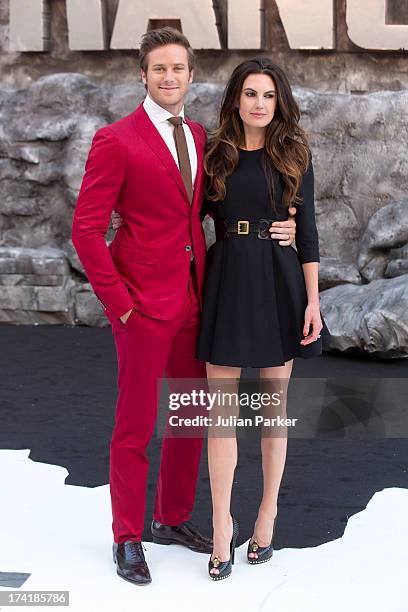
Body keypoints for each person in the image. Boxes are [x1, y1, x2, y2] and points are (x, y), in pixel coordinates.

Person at [78, 27, 297, 585]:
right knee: (135, 424)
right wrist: (120, 305)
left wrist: (285, 225)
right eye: (159, 69)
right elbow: (86, 231)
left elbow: (221, 208)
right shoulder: (116, 139)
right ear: (144, 76)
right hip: (142, 307)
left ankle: (170, 519)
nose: (169, 77)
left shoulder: (201, 135)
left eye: (178, 68)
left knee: (191, 415)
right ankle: (126, 536)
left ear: (191, 75)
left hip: (196, 298)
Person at [196, 57, 328, 581]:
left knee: (274, 409)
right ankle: (221, 525)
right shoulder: (215, 156)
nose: (258, 103)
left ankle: (267, 514)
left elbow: (310, 232)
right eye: (250, 93)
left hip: (279, 281)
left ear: (279, 102)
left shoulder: (294, 153)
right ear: (235, 99)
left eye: (268, 95)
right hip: (228, 280)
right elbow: (184, 216)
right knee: (220, 414)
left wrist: (314, 301)